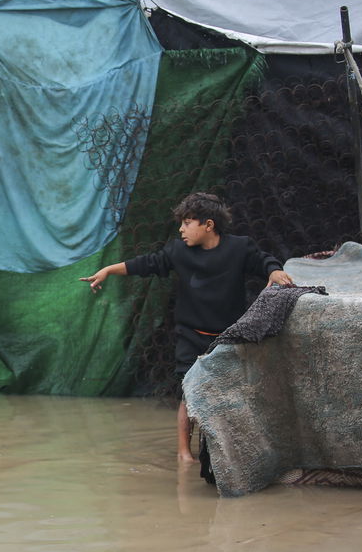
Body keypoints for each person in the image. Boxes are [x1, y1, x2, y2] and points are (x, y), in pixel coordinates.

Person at [80, 192, 293, 470]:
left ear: (209, 225)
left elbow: (264, 261)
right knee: (188, 391)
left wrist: (274, 272)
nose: (181, 229)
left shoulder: (239, 248)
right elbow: (147, 263)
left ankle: (231, 448)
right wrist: (108, 269)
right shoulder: (178, 252)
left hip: (228, 337)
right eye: (181, 223)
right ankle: (183, 451)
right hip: (190, 335)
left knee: (229, 392)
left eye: (187, 222)